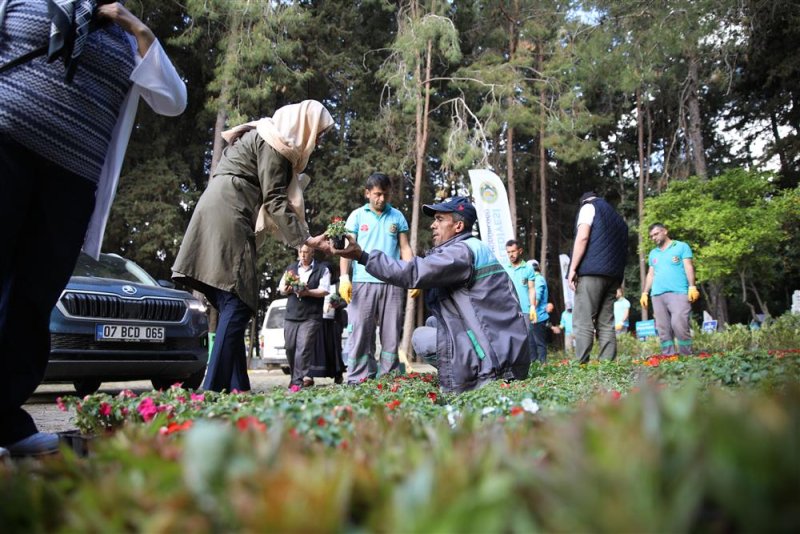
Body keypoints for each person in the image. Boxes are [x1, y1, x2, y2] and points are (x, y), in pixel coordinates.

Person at [0, 0, 187, 456]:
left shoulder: (126, 38)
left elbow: (173, 100)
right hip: (6, 148)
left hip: (71, 180)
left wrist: (135, 26)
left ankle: (5, 419)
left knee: (34, 297)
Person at [172, 100, 334, 392]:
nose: (319, 140)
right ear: (304, 124)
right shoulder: (274, 143)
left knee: (229, 302)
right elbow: (274, 200)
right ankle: (212, 390)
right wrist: (307, 240)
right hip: (230, 210)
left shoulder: (265, 135)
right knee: (238, 302)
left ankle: (239, 389)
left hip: (217, 206)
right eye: (319, 132)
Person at [335, 196, 530, 393]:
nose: (433, 225)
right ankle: (474, 367)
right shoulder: (473, 247)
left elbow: (414, 272)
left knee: (421, 337)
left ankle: (479, 375)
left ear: (458, 226)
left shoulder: (460, 253)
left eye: (439, 219)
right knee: (433, 323)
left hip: (496, 359)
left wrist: (362, 256)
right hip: (504, 347)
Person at [338, 172, 414, 384]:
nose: (382, 199)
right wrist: (344, 277)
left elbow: (405, 247)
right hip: (363, 282)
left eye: (386, 195)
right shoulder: (357, 216)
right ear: (367, 193)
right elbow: (347, 249)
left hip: (393, 282)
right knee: (360, 331)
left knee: (391, 334)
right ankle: (358, 378)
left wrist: (412, 275)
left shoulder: (397, 216)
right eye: (378, 194)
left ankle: (389, 379)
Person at [567, 192, 628, 364]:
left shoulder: (588, 207)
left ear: (584, 200)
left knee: (583, 319)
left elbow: (583, 236)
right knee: (606, 321)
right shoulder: (617, 219)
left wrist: (572, 268)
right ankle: (607, 365)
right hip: (613, 276)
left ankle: (581, 364)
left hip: (590, 273)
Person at [640, 223, 699, 355]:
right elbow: (651, 274)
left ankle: (686, 356)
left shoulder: (681, 246)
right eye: (651, 236)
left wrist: (692, 286)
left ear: (665, 231)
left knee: (679, 324)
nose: (654, 238)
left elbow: (688, 267)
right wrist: (645, 292)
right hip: (657, 295)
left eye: (656, 234)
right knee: (663, 328)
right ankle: (669, 357)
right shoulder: (653, 253)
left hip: (678, 292)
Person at [279, 245, 330, 388]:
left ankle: (297, 382)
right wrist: (287, 289)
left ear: (312, 252)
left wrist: (308, 292)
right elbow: (281, 287)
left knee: (303, 348)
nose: (303, 255)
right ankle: (295, 377)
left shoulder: (322, 269)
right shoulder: (291, 268)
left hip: (311, 316)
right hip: (291, 314)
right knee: (290, 348)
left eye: (306, 252)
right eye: (301, 252)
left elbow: (324, 290)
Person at [503, 240, 537, 359]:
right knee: (511, 338)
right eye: (508, 252)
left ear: (520, 251)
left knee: (527, 337)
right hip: (509, 310)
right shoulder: (503, 268)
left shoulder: (528, 268)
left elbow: (532, 289)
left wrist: (532, 306)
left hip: (525, 309)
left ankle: (532, 364)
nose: (511, 255)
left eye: (513, 251)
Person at [530, 259, 550, 362]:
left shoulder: (538, 280)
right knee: (532, 344)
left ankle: (543, 365)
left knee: (538, 343)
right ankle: (535, 366)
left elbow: (536, 299)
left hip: (538, 317)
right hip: (534, 317)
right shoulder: (537, 279)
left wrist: (532, 306)